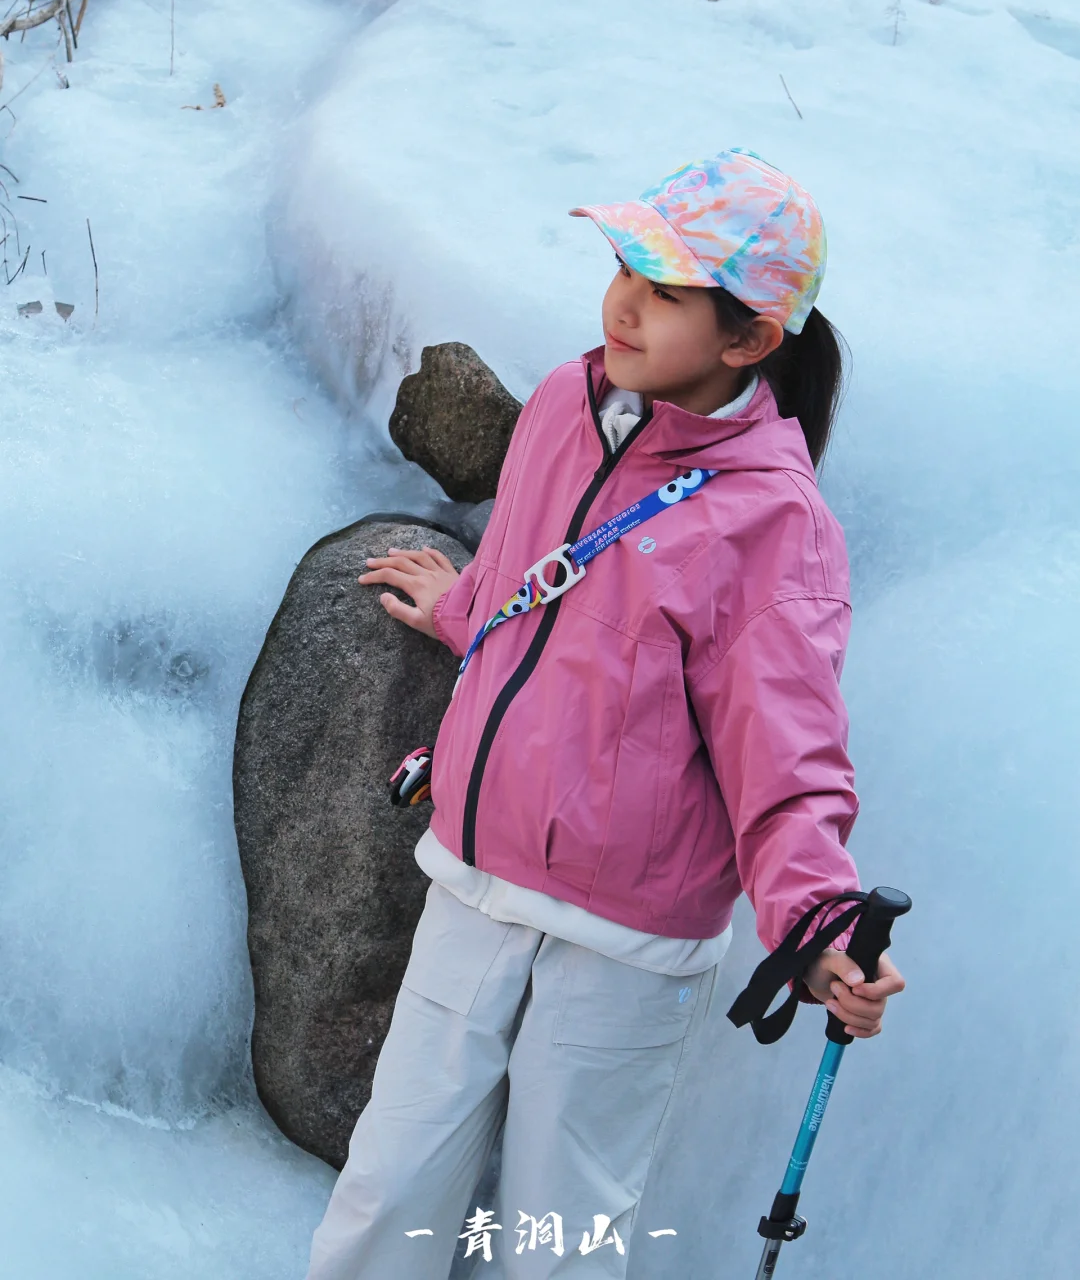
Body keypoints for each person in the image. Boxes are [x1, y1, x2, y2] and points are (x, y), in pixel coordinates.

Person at [306, 149, 905, 1280]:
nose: (625, 301)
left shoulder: (772, 523)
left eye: (669, 289)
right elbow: (541, 590)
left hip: (627, 946)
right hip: (476, 877)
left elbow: (785, 752)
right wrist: (462, 608)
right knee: (391, 1187)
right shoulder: (563, 405)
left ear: (751, 338)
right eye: (626, 263)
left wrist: (818, 925)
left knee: (558, 1226)